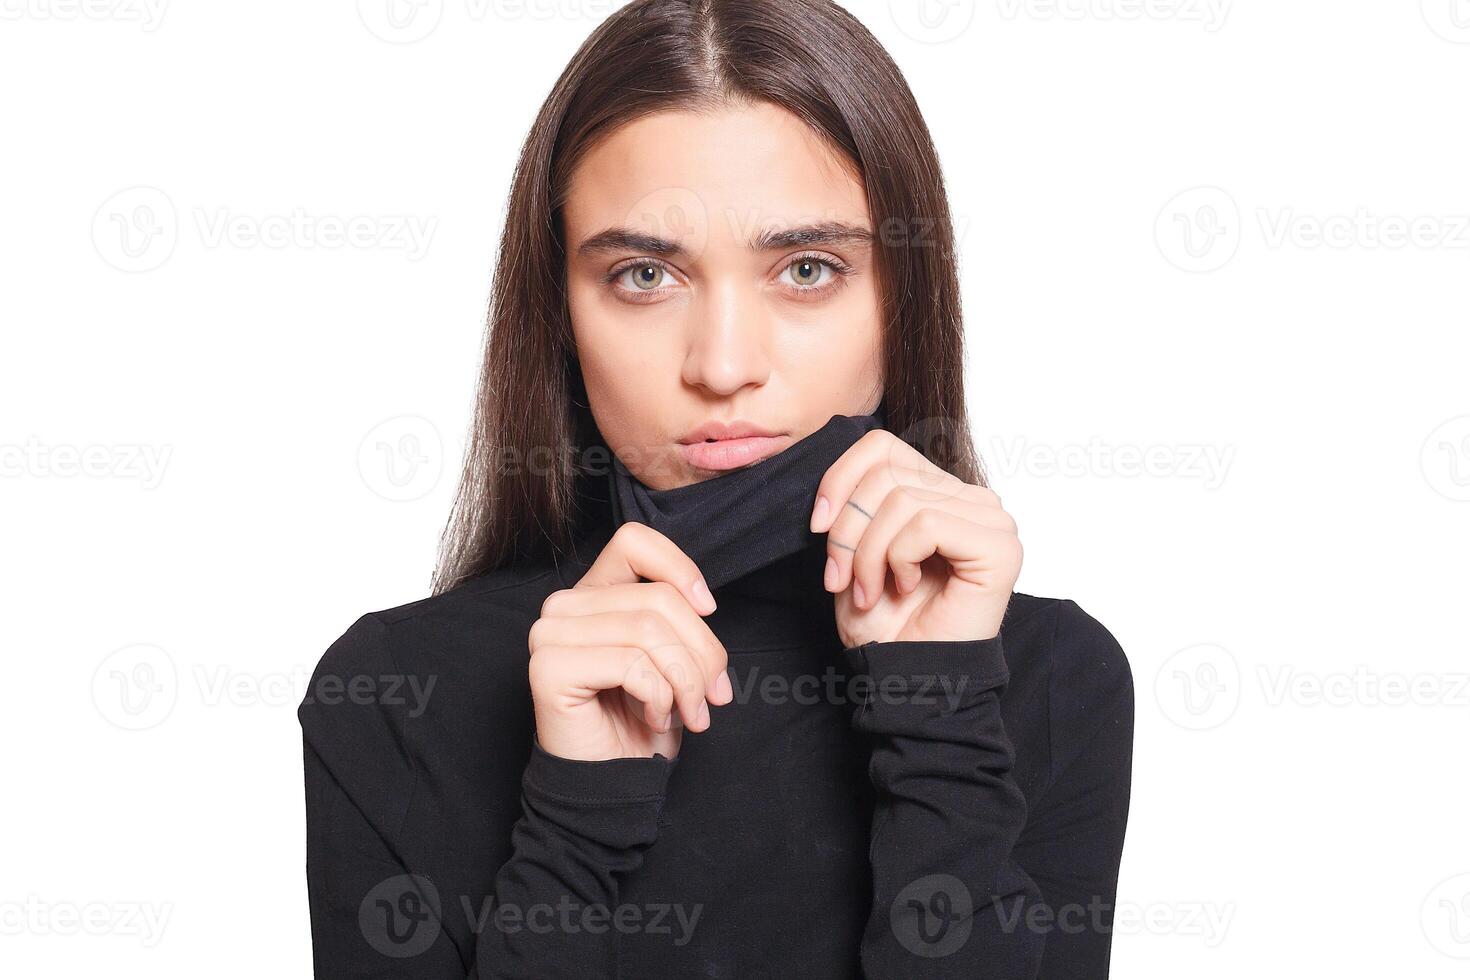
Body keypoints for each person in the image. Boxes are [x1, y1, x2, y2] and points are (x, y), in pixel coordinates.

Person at [298, 1, 1134, 976]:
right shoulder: (396, 694)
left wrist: (939, 712)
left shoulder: (1047, 676)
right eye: (647, 274)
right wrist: (576, 820)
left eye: (808, 268)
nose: (726, 364)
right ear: (559, 311)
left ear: (902, 298)